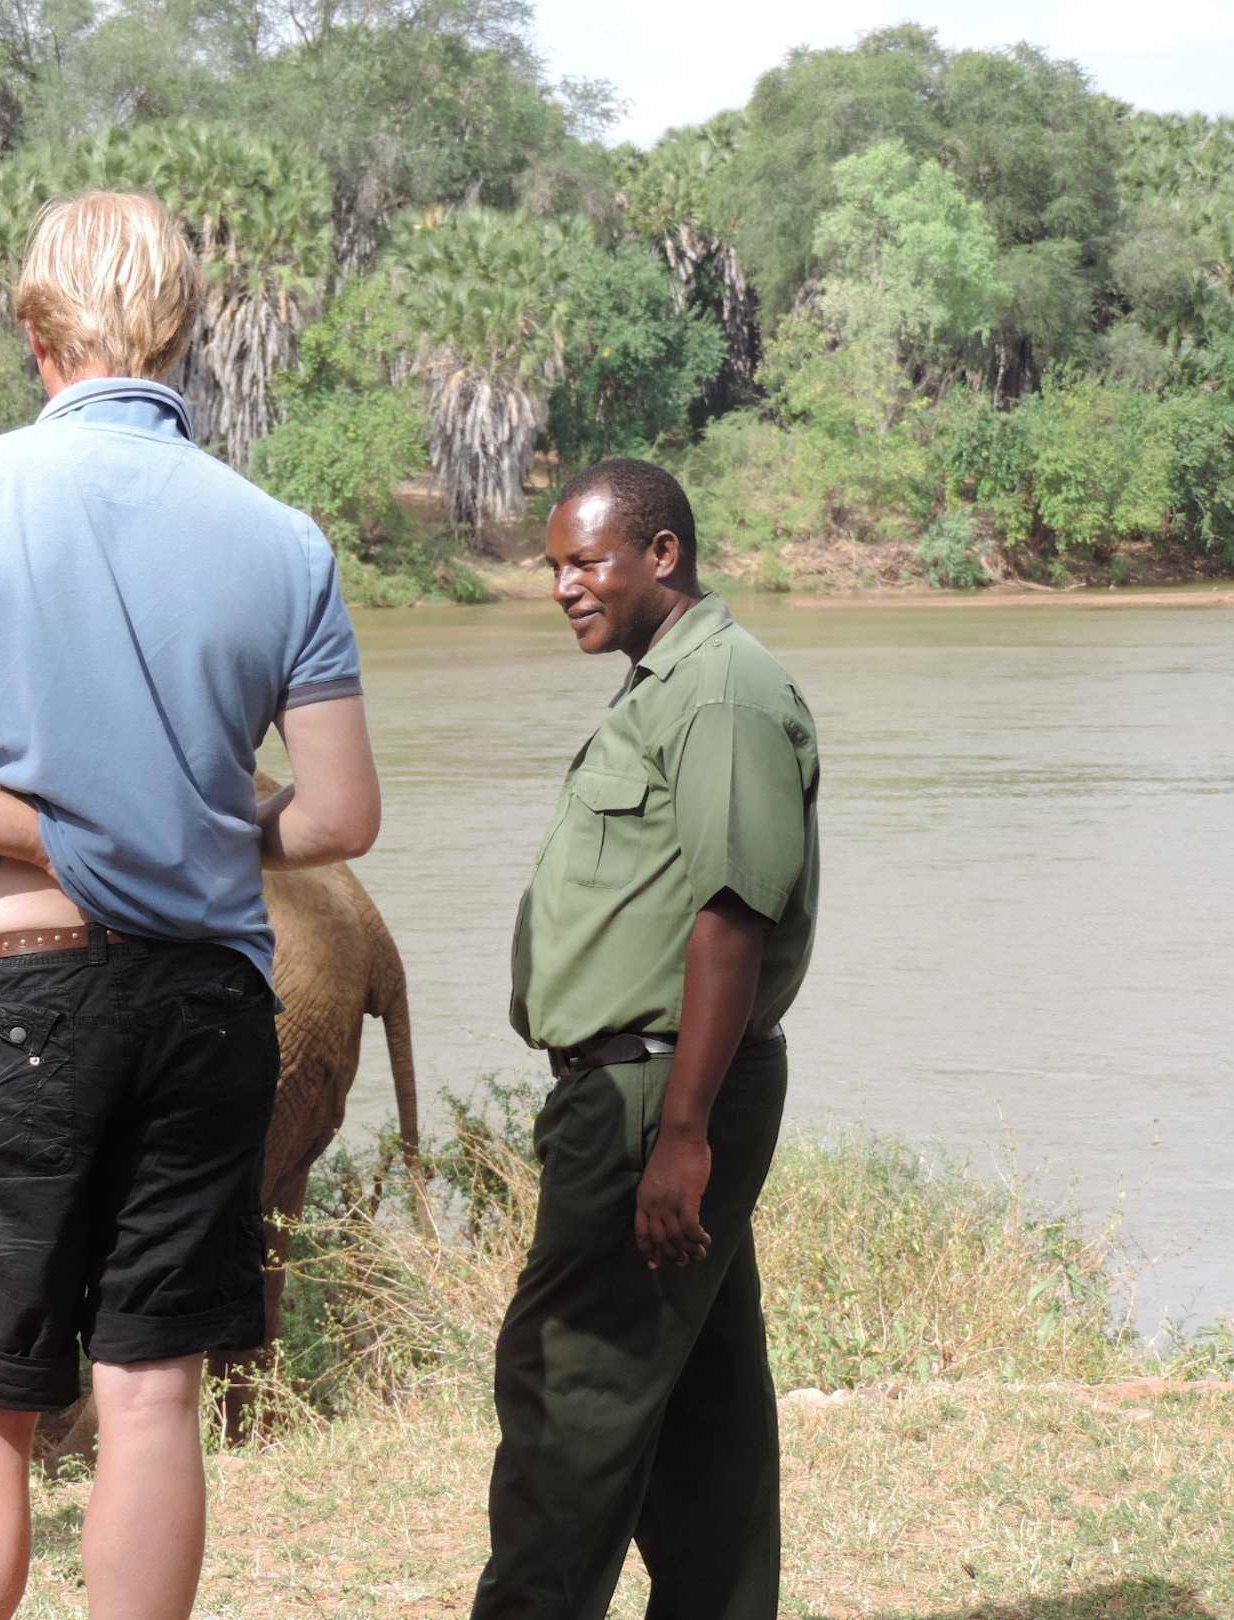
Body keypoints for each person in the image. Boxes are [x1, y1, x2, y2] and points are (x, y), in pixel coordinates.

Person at [0, 190, 381, 1620]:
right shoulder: (284, 539)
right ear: (186, 331)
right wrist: (185, 819)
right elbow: (340, 818)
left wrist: (48, 834)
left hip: (20, 987)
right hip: (209, 1003)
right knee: (153, 1393)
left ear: (36, 331)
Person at [472, 458, 820, 1619]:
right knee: (704, 1413)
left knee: (570, 1392)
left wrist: (682, 1135)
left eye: (586, 562)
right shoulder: (665, 686)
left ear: (661, 554)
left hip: (653, 1095)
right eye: (553, 567)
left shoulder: (720, 692)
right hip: (644, 1090)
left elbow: (733, 916)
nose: (562, 587)